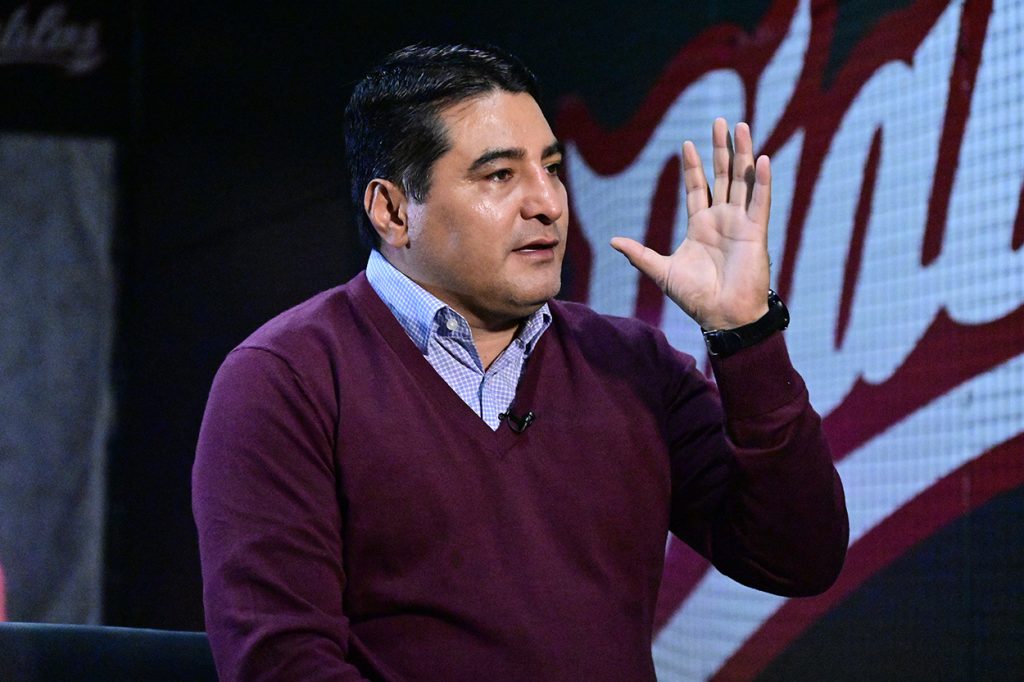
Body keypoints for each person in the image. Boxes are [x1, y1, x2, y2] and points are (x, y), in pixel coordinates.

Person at [193, 44, 848, 681]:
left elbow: (797, 558)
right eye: (499, 175)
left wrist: (746, 334)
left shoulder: (631, 365)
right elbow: (281, 662)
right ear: (392, 211)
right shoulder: (285, 379)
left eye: (551, 167)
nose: (549, 203)